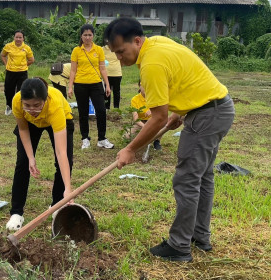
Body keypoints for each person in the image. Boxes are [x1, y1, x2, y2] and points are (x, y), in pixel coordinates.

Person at [105, 17, 235, 261]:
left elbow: (156, 118)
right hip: (218, 107)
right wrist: (179, 112)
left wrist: (131, 149)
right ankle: (199, 236)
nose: (120, 59)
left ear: (136, 40)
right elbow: (182, 78)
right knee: (202, 176)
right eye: (115, 54)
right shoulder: (157, 43)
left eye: (121, 52)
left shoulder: (150, 64)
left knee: (186, 179)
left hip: (206, 115)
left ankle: (179, 246)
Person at [6, 78, 74, 231]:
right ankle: (16, 212)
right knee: (22, 163)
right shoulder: (17, 101)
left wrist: (68, 189)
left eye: (37, 105)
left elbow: (61, 152)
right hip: (30, 125)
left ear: (45, 99)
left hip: (59, 120)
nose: (32, 109)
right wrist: (31, 157)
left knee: (64, 161)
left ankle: (57, 205)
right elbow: (23, 129)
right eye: (27, 105)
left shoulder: (54, 105)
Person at [68, 24, 114, 150]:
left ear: (93, 36)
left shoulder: (98, 50)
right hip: (80, 84)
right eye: (85, 35)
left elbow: (103, 68)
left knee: (101, 111)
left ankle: (102, 138)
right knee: (83, 113)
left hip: (96, 84)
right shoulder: (76, 50)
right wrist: (70, 86)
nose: (87, 37)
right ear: (81, 36)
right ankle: (85, 138)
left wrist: (107, 85)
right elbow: (73, 70)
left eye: (90, 35)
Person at [1, 30, 35, 116]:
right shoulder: (8, 46)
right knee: (8, 90)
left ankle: (19, 108)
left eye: (20, 37)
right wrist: (6, 64)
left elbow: (31, 60)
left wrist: (24, 65)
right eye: (17, 37)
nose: (18, 39)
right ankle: (9, 106)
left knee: (21, 91)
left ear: (23, 38)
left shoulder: (27, 48)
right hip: (10, 71)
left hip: (22, 72)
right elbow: (3, 55)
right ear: (14, 37)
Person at [125, 80, 162, 150]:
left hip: (153, 120)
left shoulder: (155, 97)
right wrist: (145, 127)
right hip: (140, 122)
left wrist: (152, 110)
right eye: (143, 86)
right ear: (139, 86)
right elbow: (136, 119)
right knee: (127, 137)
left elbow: (161, 112)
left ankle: (157, 141)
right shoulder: (135, 99)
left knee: (162, 124)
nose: (145, 88)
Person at [103, 44, 122, 109]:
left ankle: (116, 108)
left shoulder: (119, 48)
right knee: (106, 90)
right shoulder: (102, 49)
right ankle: (106, 107)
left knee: (116, 91)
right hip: (106, 73)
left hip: (117, 73)